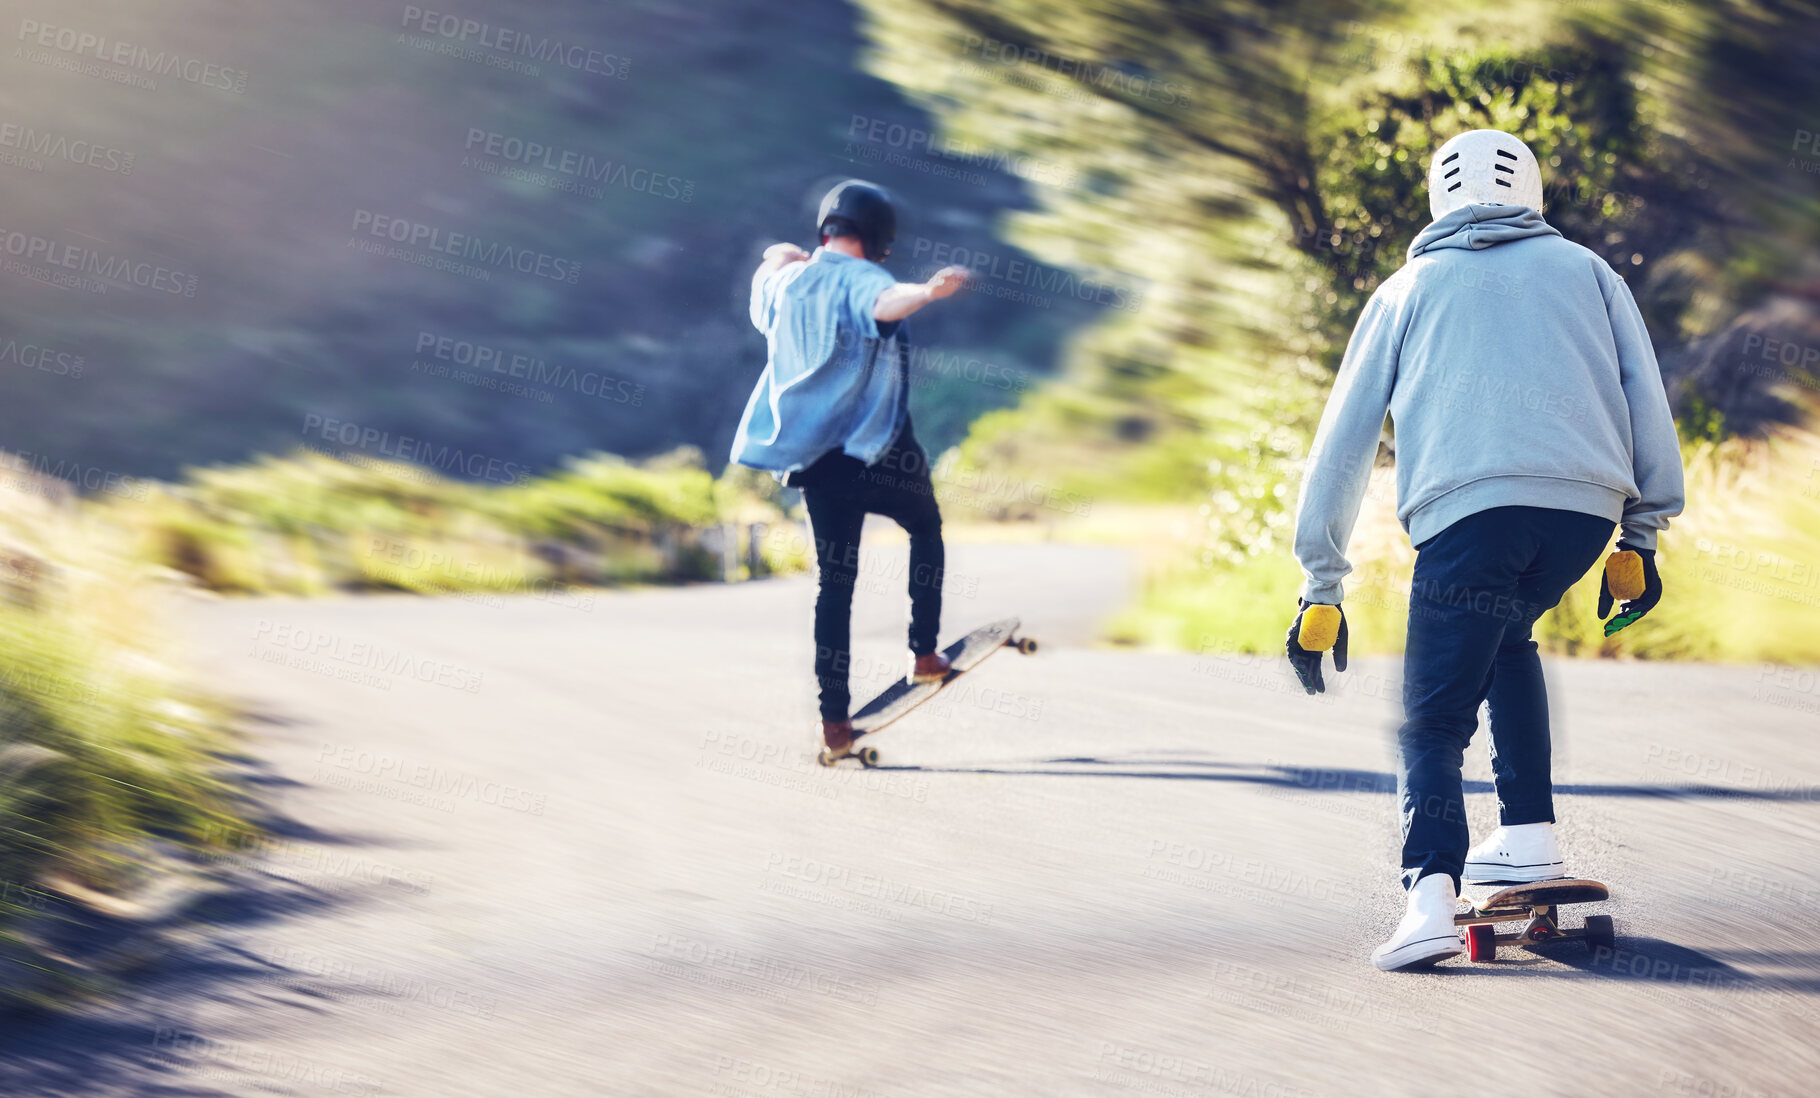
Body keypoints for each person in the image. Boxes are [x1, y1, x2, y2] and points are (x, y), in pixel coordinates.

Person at [1285, 130, 1686, 970]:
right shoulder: (1590, 273)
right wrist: (1641, 535)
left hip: (1471, 519)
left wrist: (1321, 583)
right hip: (1580, 521)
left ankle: (1429, 895)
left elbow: (1341, 446)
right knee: (1507, 640)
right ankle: (1529, 833)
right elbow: (1646, 397)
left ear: (1436, 196)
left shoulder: (1408, 288)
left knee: (1430, 718)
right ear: (1530, 191)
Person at [732, 179, 971, 761]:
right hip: (877, 447)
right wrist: (930, 292)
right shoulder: (871, 280)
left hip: (813, 459)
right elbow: (884, 306)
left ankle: (834, 725)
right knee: (925, 529)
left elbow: (769, 268)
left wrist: (780, 255)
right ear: (880, 237)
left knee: (834, 587)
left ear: (826, 230)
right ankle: (924, 654)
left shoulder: (783, 283)